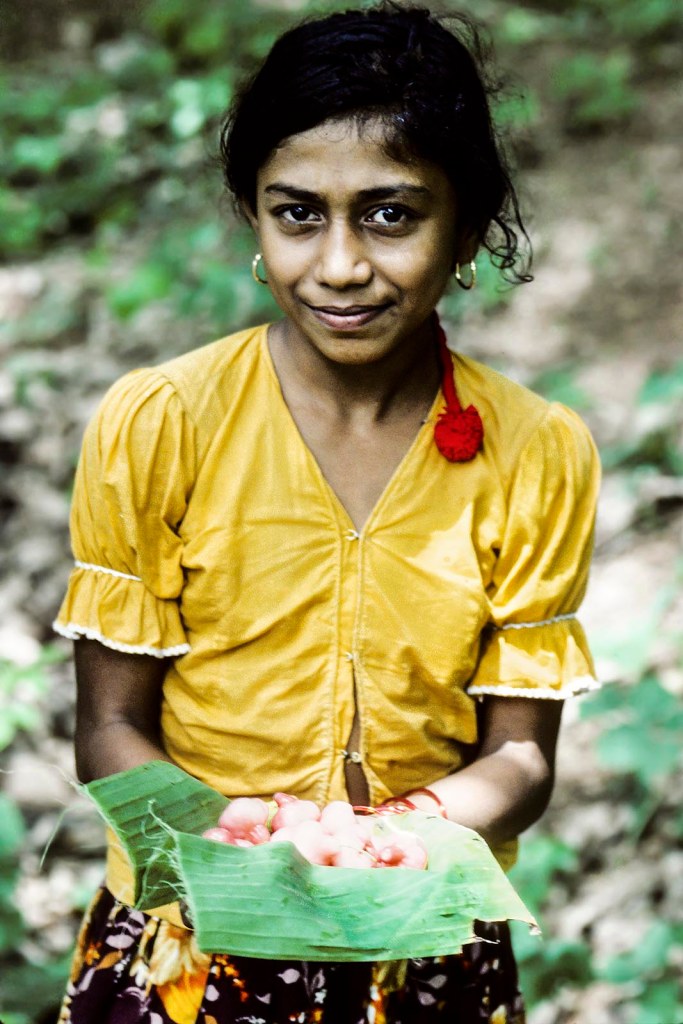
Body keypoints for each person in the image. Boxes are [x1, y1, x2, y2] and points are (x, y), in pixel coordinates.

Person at [53, 3, 600, 1022]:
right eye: (296, 212)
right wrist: (237, 841)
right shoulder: (161, 423)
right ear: (253, 218)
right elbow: (110, 726)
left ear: (466, 227)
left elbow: (521, 753)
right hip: (189, 940)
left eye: (390, 214)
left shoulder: (532, 449)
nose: (340, 265)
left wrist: (406, 832)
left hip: (419, 947)